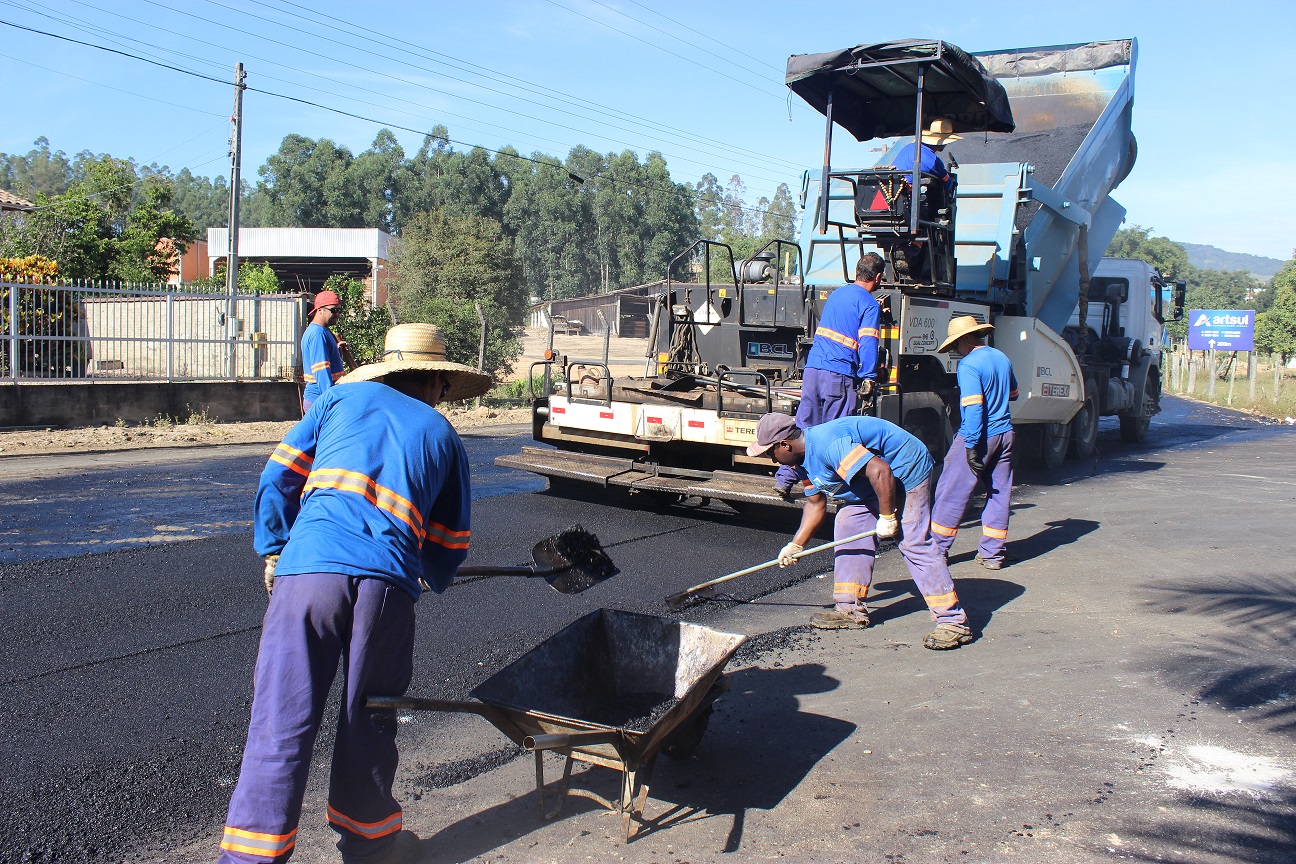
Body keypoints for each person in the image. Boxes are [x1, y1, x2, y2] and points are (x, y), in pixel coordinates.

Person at [217, 323, 493, 864]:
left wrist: (275, 551)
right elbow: (450, 541)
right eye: (443, 387)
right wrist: (428, 573)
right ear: (434, 381)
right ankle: (370, 848)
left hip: (307, 576)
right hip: (385, 589)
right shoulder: (442, 435)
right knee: (370, 716)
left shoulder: (336, 401)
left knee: (279, 718)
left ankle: (249, 858)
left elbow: (278, 479)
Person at [749, 411, 973, 651]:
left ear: (785, 444)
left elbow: (881, 470)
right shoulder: (802, 462)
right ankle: (850, 609)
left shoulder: (828, 445)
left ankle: (953, 621)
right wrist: (796, 545)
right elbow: (815, 503)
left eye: (771, 452)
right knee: (848, 523)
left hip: (905, 468)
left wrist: (887, 517)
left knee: (912, 541)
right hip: (873, 482)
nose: (772, 459)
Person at [773, 252, 884, 495]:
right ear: (877, 277)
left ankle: (784, 479)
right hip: (838, 374)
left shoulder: (837, 294)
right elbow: (868, 343)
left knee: (803, 429)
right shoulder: (869, 304)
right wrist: (868, 376)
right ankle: (827, 487)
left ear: (857, 272)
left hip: (813, 370)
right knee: (835, 434)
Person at [930, 316, 1019, 570]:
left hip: (981, 436)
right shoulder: (1001, 357)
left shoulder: (969, 365)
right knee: (999, 493)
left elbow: (974, 408)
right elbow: (1014, 394)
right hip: (1005, 435)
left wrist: (970, 444)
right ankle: (993, 554)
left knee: (951, 492)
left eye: (956, 345)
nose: (956, 351)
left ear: (968, 339)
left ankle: (936, 551)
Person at [300, 289, 354, 413]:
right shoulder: (318, 334)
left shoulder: (323, 331)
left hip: (320, 399)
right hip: (320, 400)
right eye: (333, 310)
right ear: (320, 310)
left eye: (339, 310)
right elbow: (321, 371)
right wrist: (331, 401)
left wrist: (338, 351)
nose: (337, 314)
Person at [886, 118, 960, 193]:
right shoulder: (933, 162)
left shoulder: (908, 147)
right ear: (943, 143)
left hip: (889, 188)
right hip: (905, 194)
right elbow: (947, 185)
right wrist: (951, 181)